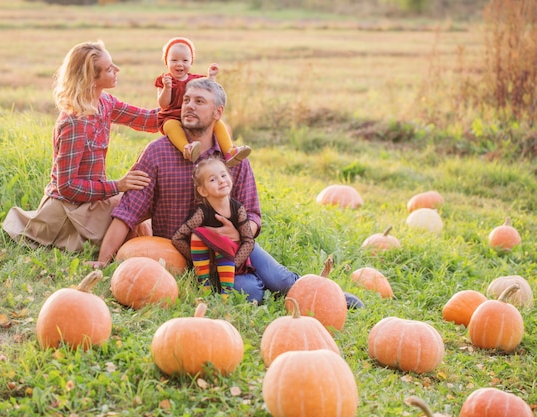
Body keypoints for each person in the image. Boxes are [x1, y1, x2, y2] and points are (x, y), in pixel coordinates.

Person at [92, 78, 363, 308]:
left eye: (200, 102)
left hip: (234, 245)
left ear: (217, 113)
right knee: (251, 292)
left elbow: (254, 214)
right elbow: (126, 214)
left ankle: (328, 298)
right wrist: (102, 264)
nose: (189, 106)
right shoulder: (157, 154)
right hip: (188, 256)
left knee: (279, 278)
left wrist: (241, 232)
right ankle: (275, 293)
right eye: (187, 100)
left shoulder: (234, 160)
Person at [2, 40, 159, 252]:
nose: (117, 70)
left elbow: (147, 120)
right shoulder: (74, 123)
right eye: (109, 69)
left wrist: (184, 103)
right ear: (90, 79)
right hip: (71, 210)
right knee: (134, 202)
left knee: (139, 200)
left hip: (93, 199)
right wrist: (117, 186)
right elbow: (67, 187)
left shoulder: (105, 103)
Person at [155, 37, 251, 166]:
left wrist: (211, 76)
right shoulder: (164, 80)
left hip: (197, 115)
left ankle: (229, 152)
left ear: (191, 62)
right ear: (166, 62)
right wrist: (167, 88)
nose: (179, 64)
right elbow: (163, 104)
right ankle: (187, 149)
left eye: (185, 60)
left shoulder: (197, 79)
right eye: (174, 60)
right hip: (172, 116)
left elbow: (210, 92)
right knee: (170, 126)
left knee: (217, 122)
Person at [172, 157, 255, 295]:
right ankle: (204, 285)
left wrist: (233, 264)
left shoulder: (238, 209)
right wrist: (198, 262)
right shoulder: (202, 212)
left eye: (223, 175)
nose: (221, 180)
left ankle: (226, 294)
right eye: (213, 179)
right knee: (197, 234)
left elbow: (249, 241)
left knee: (257, 288)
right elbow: (178, 238)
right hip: (208, 261)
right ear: (203, 191)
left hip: (232, 258)